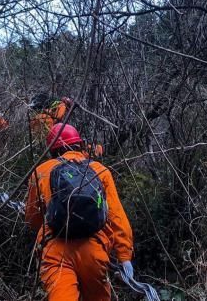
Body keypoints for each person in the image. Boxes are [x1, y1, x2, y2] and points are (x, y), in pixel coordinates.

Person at [25, 123, 134, 301]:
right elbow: (116, 216)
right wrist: (124, 255)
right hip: (94, 249)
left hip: (55, 250)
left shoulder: (41, 172)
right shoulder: (100, 170)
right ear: (79, 145)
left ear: (52, 149)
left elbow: (32, 218)